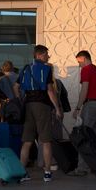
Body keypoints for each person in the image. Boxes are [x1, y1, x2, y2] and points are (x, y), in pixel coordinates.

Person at [13, 45, 62, 182]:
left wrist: (20, 100)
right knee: (46, 141)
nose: (48, 57)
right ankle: (47, 173)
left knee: (27, 141)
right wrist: (57, 108)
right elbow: (50, 91)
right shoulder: (46, 69)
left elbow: (15, 87)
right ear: (39, 55)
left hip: (28, 105)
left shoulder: (26, 68)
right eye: (47, 54)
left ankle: (22, 172)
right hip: (42, 106)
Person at [70, 50, 96, 176]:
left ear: (84, 58)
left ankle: (82, 168)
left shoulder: (86, 70)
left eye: (79, 62)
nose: (79, 65)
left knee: (84, 136)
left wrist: (78, 107)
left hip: (90, 105)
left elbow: (84, 89)